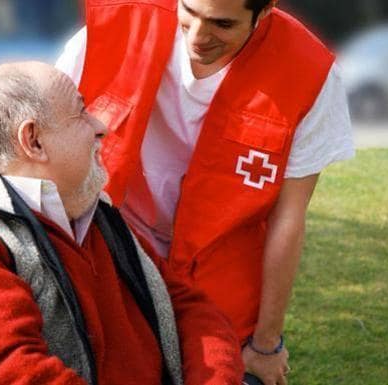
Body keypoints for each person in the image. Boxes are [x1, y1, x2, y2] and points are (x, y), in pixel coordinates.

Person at [0, 62, 245, 385]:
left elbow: (187, 306)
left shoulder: (90, 211)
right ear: (34, 141)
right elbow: (16, 374)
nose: (100, 126)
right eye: (82, 112)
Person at [56, 0, 355, 383]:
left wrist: (266, 344)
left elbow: (289, 218)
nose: (198, 36)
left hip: (222, 291)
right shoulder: (120, 22)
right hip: (114, 262)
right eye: (189, 12)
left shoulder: (308, 71)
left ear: (264, 12)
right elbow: (38, 138)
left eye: (222, 24)